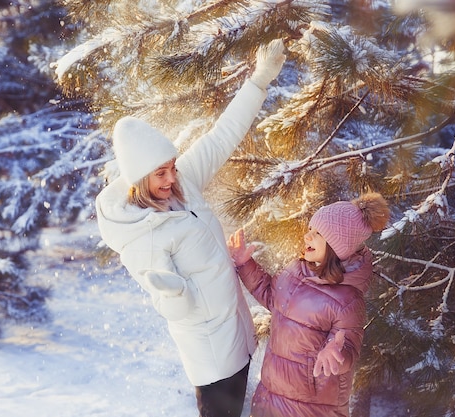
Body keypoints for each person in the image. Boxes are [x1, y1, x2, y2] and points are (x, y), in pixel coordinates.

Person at [95, 39, 286, 417]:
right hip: (212, 357)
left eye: (171, 167)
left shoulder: (184, 185)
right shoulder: (140, 236)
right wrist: (173, 292)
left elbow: (221, 137)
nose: (170, 178)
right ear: (138, 179)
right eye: (160, 174)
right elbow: (176, 312)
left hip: (237, 334)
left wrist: (259, 81)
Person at [227, 192, 390, 417]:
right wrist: (245, 264)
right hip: (271, 396)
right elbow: (274, 299)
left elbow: (349, 348)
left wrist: (337, 353)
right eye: (310, 229)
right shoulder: (297, 269)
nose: (307, 236)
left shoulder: (347, 300)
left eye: (317, 234)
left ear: (336, 246)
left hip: (310, 408)